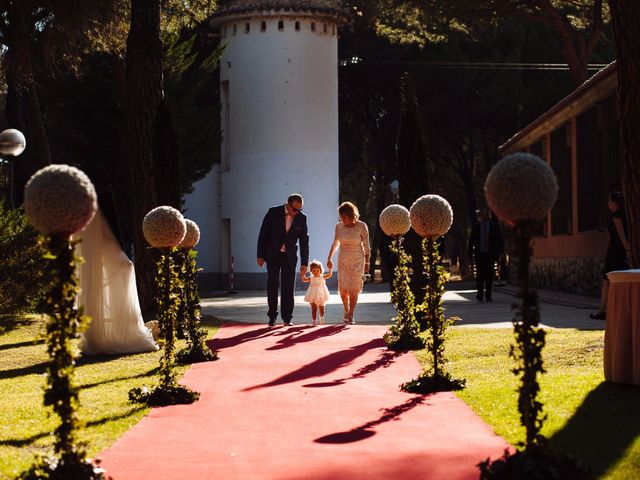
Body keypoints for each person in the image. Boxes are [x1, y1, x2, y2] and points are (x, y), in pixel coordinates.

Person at [76, 209, 158, 355]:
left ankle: (108, 332)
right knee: (116, 272)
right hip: (92, 232)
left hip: (98, 233)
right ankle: (101, 334)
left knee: (124, 269)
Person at [257, 193, 309, 327]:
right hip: (273, 254)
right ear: (288, 204)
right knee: (272, 285)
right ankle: (272, 317)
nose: (298, 212)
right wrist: (260, 255)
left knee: (288, 287)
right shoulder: (273, 212)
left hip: (290, 256)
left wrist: (304, 263)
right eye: (295, 209)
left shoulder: (302, 218)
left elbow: (304, 242)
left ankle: (287, 318)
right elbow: (263, 234)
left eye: (300, 209)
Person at [327, 201, 370, 324]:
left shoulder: (362, 226)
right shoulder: (339, 226)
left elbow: (367, 246)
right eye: (341, 218)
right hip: (343, 258)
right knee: (343, 288)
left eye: (345, 218)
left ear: (352, 216)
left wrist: (368, 262)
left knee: (354, 288)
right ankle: (346, 309)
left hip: (357, 259)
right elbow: (335, 243)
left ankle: (351, 314)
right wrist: (329, 257)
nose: (343, 220)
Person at [590, 191, 631, 319]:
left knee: (609, 280)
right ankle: (602, 309)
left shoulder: (617, 216)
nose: (607, 203)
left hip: (617, 252)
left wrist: (627, 250)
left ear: (614, 202)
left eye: (609, 200)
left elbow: (621, 235)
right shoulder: (622, 215)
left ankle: (605, 309)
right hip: (615, 250)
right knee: (607, 280)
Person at [468, 208, 504, 302]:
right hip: (479, 254)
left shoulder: (493, 227)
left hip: (490, 254)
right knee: (479, 275)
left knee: (489, 275)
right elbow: (471, 241)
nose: (484, 217)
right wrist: (470, 255)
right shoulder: (476, 227)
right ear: (480, 216)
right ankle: (480, 294)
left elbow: (499, 239)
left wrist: (501, 251)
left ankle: (488, 294)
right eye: (482, 215)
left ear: (488, 216)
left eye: (486, 215)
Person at [301, 260, 333, 326]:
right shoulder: (311, 278)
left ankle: (321, 316)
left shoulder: (322, 276)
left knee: (322, 310)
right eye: (314, 271)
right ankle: (314, 321)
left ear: (320, 270)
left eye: (317, 270)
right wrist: (303, 273)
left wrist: (330, 269)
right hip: (312, 294)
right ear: (311, 271)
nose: (316, 272)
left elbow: (329, 275)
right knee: (314, 309)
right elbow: (304, 279)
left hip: (321, 294)